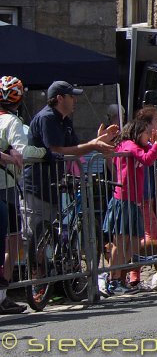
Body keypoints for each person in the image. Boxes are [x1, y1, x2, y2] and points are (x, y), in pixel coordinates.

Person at [23, 81, 118, 244]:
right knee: (35, 237)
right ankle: (36, 270)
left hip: (53, 184)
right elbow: (56, 151)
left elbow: (74, 148)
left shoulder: (65, 120)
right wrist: (94, 145)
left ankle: (54, 267)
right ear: (59, 98)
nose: (75, 100)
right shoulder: (47, 118)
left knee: (49, 236)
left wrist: (98, 140)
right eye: (71, 96)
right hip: (38, 185)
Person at [101, 119, 157, 296]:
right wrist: (156, 143)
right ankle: (113, 280)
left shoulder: (142, 145)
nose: (149, 136)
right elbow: (147, 160)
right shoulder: (129, 145)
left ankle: (118, 278)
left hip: (135, 201)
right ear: (137, 132)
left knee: (132, 243)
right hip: (123, 199)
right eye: (147, 132)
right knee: (121, 241)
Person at [0, 76, 43, 314]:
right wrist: (44, 153)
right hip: (5, 186)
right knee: (12, 239)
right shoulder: (11, 122)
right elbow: (24, 151)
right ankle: (2, 294)